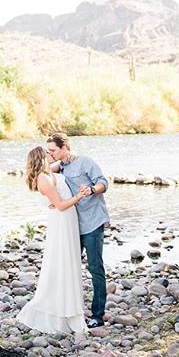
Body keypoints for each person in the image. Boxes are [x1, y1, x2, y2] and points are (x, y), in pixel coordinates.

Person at [16, 146, 89, 335]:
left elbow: (65, 162)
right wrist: (79, 196)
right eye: (47, 153)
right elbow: (61, 205)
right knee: (62, 261)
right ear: (42, 158)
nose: (51, 155)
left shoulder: (49, 172)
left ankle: (69, 307)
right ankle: (59, 309)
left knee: (70, 261)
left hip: (68, 220)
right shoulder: (43, 178)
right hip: (62, 220)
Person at [46, 132, 109, 327]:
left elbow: (103, 183)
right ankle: (71, 311)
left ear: (64, 148)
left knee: (95, 268)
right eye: (48, 151)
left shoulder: (84, 162)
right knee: (70, 268)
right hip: (71, 225)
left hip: (92, 222)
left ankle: (98, 315)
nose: (50, 154)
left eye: (53, 150)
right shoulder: (60, 167)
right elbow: (43, 174)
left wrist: (91, 189)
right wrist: (55, 200)